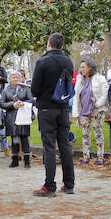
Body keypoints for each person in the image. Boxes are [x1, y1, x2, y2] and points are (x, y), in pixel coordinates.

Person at [30, 32, 76, 197]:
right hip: (63, 107)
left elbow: (34, 89)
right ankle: (69, 184)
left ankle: (49, 186)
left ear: (48, 44)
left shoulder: (43, 62)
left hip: (47, 107)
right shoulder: (68, 62)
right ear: (62, 46)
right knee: (64, 145)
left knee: (49, 146)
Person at [73, 58, 109, 165]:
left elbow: (104, 93)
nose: (82, 69)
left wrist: (98, 104)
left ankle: (100, 156)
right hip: (84, 111)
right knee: (85, 134)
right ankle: (85, 156)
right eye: (81, 67)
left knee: (98, 133)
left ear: (90, 68)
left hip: (96, 110)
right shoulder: (80, 80)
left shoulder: (99, 79)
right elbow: (76, 97)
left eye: (84, 67)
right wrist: (76, 112)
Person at [1, 70, 34, 168]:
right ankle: (14, 160)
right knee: (14, 139)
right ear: (10, 79)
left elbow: (31, 100)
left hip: (23, 116)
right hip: (11, 118)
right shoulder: (6, 90)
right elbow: (2, 103)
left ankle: (27, 161)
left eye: (17, 77)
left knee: (24, 139)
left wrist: (23, 103)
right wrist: (12, 105)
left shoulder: (25, 88)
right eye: (13, 77)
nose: (15, 79)